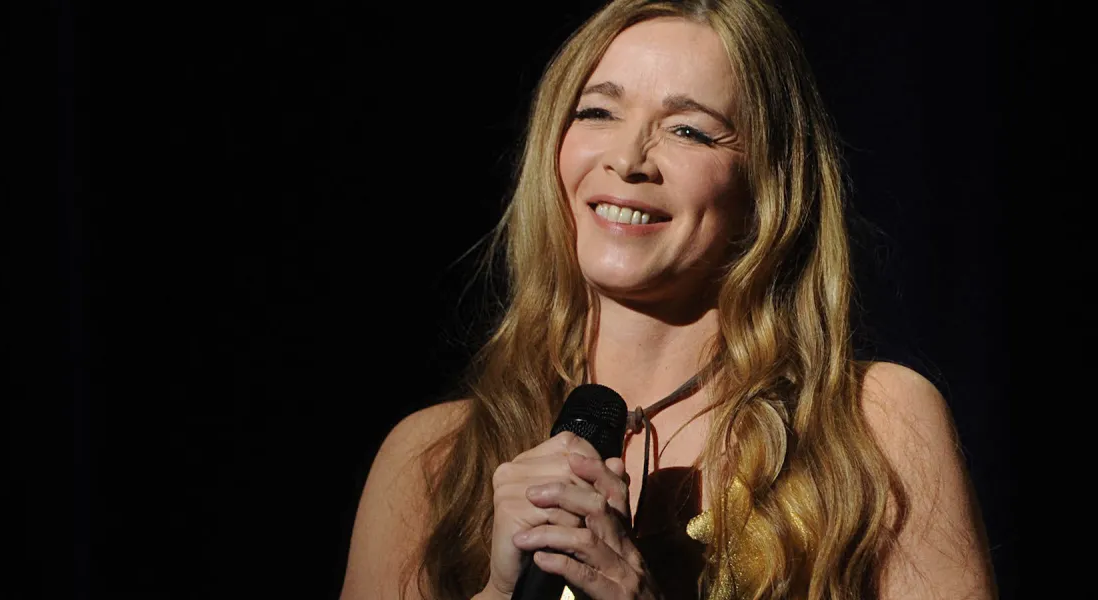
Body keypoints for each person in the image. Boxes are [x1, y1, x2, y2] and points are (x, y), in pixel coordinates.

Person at [340, 0, 995, 598]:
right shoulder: (430, 459)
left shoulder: (873, 424)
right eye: (597, 112)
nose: (628, 159)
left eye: (689, 131)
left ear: (768, 185)